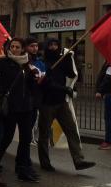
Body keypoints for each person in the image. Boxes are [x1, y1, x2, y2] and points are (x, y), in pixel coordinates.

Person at [38, 38, 95, 172]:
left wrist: (69, 59)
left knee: (72, 130)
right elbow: (47, 84)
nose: (53, 47)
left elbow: (71, 74)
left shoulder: (62, 59)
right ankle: (45, 162)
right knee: (44, 134)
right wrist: (65, 89)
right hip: (47, 103)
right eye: (50, 45)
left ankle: (78, 160)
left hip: (61, 102)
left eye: (56, 45)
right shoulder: (43, 63)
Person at [0, 37, 39, 184]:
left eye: (17, 47)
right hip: (11, 108)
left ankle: (23, 169)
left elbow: (32, 87)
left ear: (23, 49)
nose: (14, 49)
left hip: (26, 108)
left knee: (25, 139)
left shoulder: (27, 65)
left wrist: (36, 79)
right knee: (6, 138)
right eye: (12, 47)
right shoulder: (2, 63)